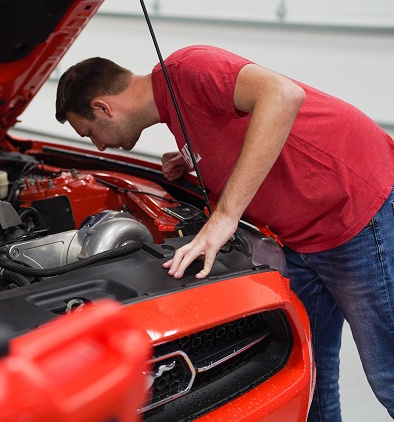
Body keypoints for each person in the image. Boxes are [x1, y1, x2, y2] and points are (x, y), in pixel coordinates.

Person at [54, 45, 394, 421]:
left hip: (356, 214)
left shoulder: (186, 69)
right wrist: (192, 158)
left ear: (104, 108)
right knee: (313, 373)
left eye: (90, 133)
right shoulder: (174, 111)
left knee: (388, 376)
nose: (98, 145)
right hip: (302, 238)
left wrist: (226, 215)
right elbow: (232, 127)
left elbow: (282, 95)